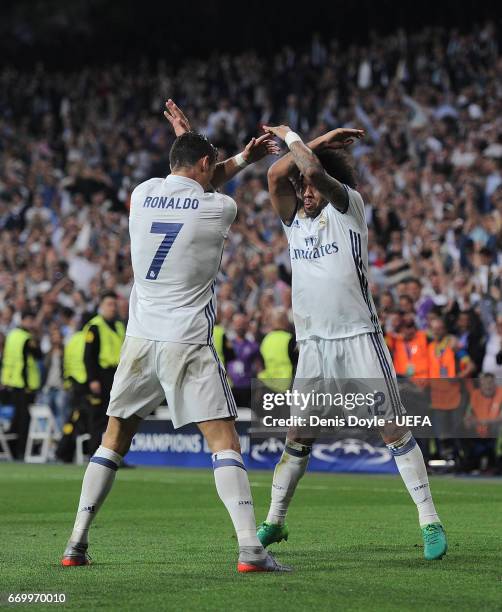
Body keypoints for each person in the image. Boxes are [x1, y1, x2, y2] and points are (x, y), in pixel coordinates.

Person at [61, 100, 289, 573]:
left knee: (114, 438)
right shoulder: (219, 208)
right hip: (187, 338)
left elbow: (188, 176)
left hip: (140, 338)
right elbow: (204, 185)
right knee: (223, 439)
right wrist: (243, 159)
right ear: (205, 165)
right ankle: (250, 548)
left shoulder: (141, 194)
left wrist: (195, 142)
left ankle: (76, 543)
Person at [256, 124, 447, 560]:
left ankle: (429, 521)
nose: (305, 193)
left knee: (393, 430)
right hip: (313, 345)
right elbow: (273, 177)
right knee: (297, 436)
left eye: (310, 187)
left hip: (358, 337)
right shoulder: (293, 224)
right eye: (300, 188)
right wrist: (316, 141)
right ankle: (276, 521)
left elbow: (313, 171)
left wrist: (294, 138)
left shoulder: (348, 208)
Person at [84, 292, 126, 455]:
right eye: (109, 304)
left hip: (117, 374)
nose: (112, 308)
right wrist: (93, 379)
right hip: (102, 375)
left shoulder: (119, 326)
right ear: (100, 306)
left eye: (114, 304)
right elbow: (89, 356)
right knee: (100, 417)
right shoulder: (95, 326)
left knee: (117, 417)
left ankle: (115, 454)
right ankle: (95, 454)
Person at [0, 310, 42, 459]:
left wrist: (6, 379)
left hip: (13, 382)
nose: (32, 324)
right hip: (25, 384)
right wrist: (36, 336)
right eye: (30, 320)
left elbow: (8, 359)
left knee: (16, 419)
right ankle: (21, 451)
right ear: (24, 320)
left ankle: (12, 449)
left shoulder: (11, 335)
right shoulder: (26, 337)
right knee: (24, 421)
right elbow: (38, 354)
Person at [258, 307, 296, 392]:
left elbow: (261, 364)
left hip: (269, 385)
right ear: (284, 321)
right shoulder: (290, 339)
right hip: (287, 385)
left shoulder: (265, 339)